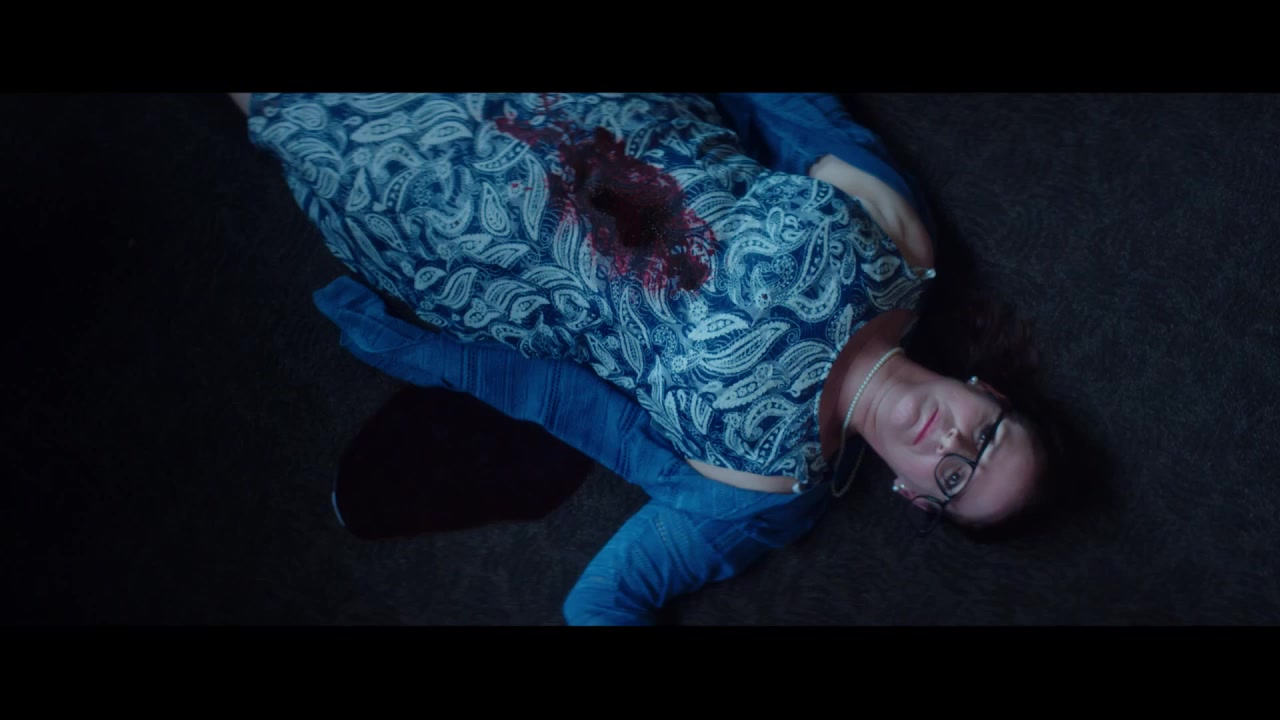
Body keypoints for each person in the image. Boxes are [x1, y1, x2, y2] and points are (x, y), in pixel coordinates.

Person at [235, 93, 1049, 624]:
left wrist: (429, 352)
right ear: (987, 392)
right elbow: (787, 108)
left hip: (456, 216)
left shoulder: (760, 494)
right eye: (988, 437)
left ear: (915, 496)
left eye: (955, 480)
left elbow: (604, 599)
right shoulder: (907, 252)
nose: (953, 444)